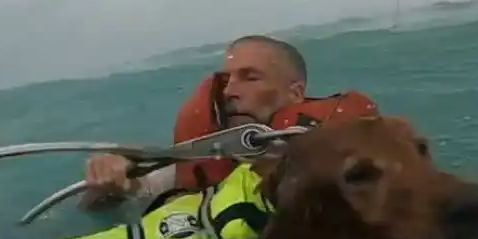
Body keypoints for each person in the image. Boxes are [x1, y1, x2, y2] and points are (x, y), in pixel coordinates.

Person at [79, 35, 380, 210]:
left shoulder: (342, 156)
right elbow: (122, 195)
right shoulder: (206, 155)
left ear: (295, 93)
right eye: (227, 79)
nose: (229, 91)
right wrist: (111, 174)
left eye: (250, 77)